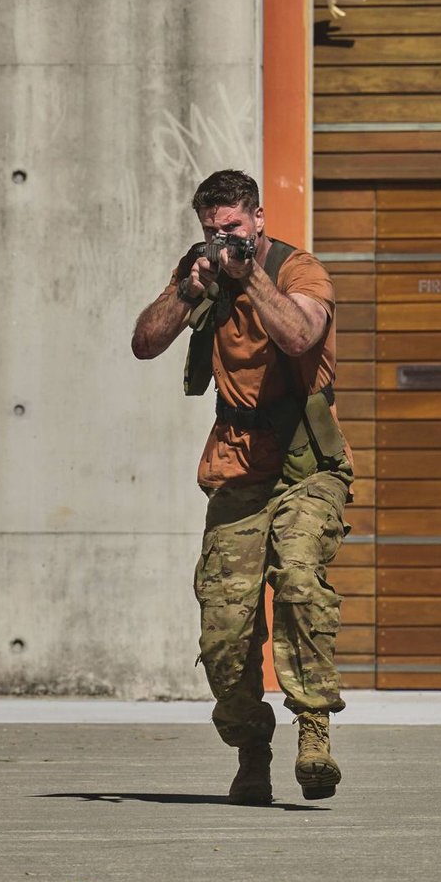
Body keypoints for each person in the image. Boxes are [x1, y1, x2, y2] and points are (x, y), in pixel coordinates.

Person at [131, 170, 352, 803]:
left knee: (301, 576)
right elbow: (145, 342)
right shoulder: (203, 271)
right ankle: (252, 750)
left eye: (231, 227)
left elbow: (301, 334)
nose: (221, 238)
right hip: (237, 468)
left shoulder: (295, 270)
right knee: (225, 630)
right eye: (210, 230)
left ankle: (313, 730)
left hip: (308, 466)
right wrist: (187, 287)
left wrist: (248, 272)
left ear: (257, 218)